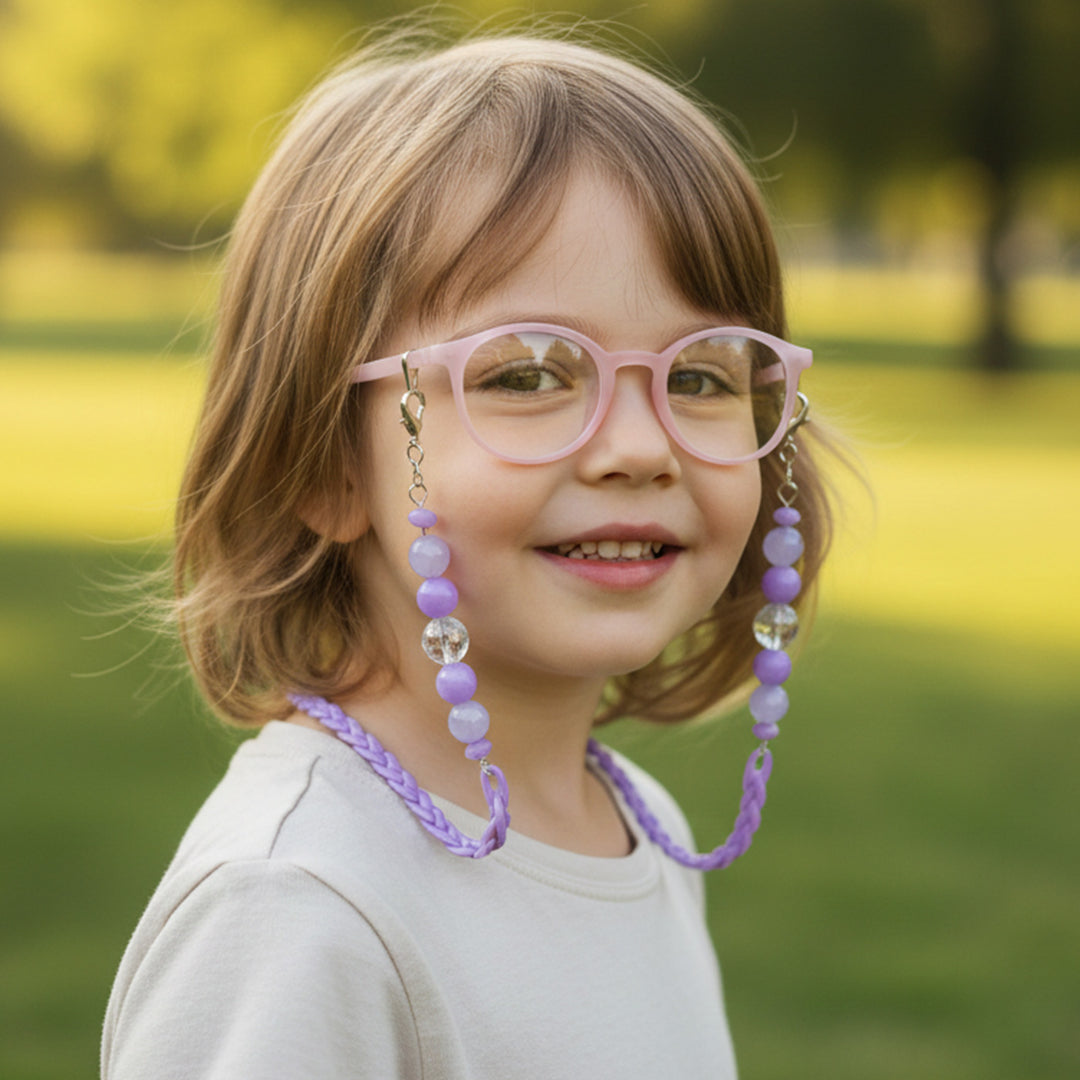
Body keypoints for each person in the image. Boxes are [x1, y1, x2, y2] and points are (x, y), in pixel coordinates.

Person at [102, 28, 835, 1080]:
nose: (640, 447)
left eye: (703, 376)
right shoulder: (302, 906)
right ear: (324, 467)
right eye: (530, 374)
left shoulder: (640, 824)